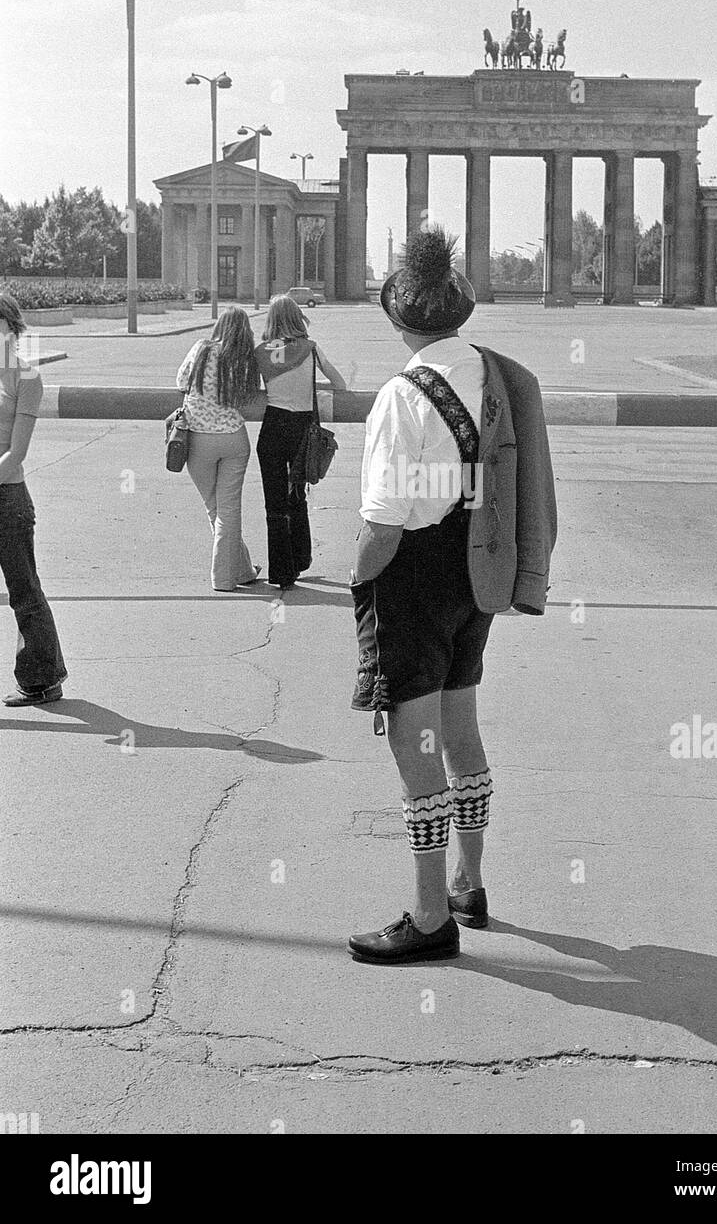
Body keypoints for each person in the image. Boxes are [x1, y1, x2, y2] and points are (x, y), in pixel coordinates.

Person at [347, 228, 557, 964]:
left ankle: (429, 913)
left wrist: (359, 577)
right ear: (459, 310)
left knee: (416, 747)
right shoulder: (495, 375)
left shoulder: (402, 396)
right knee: (461, 729)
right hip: (478, 568)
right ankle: (469, 881)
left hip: (413, 574)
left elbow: (382, 521)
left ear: (397, 319)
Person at [0, 293, 67, 706]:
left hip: (8, 499)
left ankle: (43, 679)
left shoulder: (27, 378)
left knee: (24, 592)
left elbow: (16, 454)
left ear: (11, 328)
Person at [254, 294, 346, 590]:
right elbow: (339, 384)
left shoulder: (261, 352)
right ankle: (301, 557)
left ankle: (281, 573)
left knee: (274, 503)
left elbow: (254, 389)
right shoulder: (311, 349)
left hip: (272, 425)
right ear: (297, 318)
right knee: (297, 495)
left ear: (271, 319)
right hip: (301, 428)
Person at [176, 306, 261, 592]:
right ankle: (243, 571)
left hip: (199, 440)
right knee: (228, 509)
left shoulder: (202, 348)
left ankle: (224, 579)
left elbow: (180, 381)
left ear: (221, 326)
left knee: (215, 508)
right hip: (234, 440)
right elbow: (249, 396)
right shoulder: (245, 359)